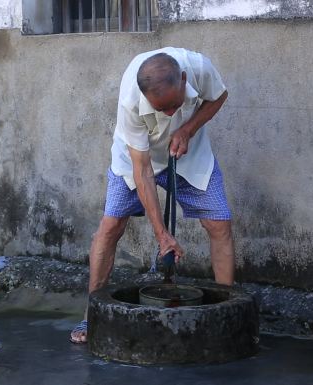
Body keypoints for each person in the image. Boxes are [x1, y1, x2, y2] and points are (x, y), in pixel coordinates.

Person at [70, 48, 234, 344]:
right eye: (162, 109)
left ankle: (228, 314)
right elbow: (142, 171)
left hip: (189, 152)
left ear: (183, 79)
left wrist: (188, 128)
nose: (170, 113)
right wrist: (162, 235)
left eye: (175, 105)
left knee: (219, 224)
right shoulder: (130, 99)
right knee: (110, 226)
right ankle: (90, 313)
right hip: (136, 158)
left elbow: (218, 97)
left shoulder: (198, 67)